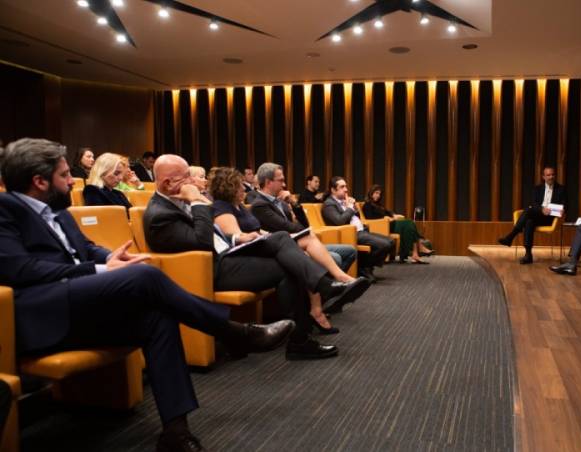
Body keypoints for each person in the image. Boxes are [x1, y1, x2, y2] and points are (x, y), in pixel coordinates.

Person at [0, 138, 293, 451]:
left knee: (158, 319)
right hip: (44, 315)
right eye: (64, 175)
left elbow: (86, 247)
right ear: (39, 181)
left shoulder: (57, 210)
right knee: (145, 275)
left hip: (80, 306)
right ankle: (234, 332)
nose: (72, 180)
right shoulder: (5, 211)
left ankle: (176, 433)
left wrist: (111, 256)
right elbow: (22, 270)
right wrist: (101, 270)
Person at [144, 155, 368, 359]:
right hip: (210, 270)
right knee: (288, 266)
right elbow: (203, 244)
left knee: (282, 239)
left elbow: (214, 236)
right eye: (186, 178)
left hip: (227, 255)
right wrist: (197, 201)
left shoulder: (178, 201)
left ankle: (319, 300)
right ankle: (308, 324)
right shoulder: (160, 216)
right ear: (167, 183)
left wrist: (237, 239)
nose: (192, 182)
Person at [210, 165, 368, 332]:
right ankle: (326, 293)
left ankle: (318, 305)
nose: (244, 188)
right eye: (239, 185)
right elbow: (237, 238)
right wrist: (275, 236)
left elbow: (284, 227)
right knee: (295, 253)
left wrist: (286, 220)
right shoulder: (222, 207)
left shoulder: (240, 206)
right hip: (245, 255)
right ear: (230, 187)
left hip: (260, 246)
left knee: (301, 243)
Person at [251, 163, 358, 276]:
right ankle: (330, 282)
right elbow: (287, 226)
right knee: (336, 258)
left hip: (300, 242)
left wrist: (294, 202)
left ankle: (331, 282)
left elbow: (305, 224)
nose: (284, 184)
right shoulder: (260, 205)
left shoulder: (281, 202)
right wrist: (305, 231)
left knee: (350, 251)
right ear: (268, 182)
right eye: (281, 180)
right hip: (287, 248)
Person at [323, 177, 394, 282]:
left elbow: (355, 218)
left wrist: (354, 208)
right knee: (385, 245)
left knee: (391, 241)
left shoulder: (344, 201)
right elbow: (339, 221)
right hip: (352, 233)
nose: (346, 189)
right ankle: (364, 267)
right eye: (342, 187)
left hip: (362, 231)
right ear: (333, 190)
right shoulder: (329, 204)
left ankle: (366, 267)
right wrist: (350, 208)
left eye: (346, 186)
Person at [497, 166, 567, 264]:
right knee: (529, 221)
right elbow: (534, 203)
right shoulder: (537, 189)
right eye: (548, 175)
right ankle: (528, 255)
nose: (551, 177)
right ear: (543, 177)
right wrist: (542, 209)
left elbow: (565, 205)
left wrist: (562, 210)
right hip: (539, 215)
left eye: (553, 175)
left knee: (528, 211)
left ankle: (511, 236)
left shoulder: (561, 189)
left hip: (551, 218)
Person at [363, 184, 434, 264]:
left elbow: (387, 212)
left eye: (379, 194)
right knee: (409, 224)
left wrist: (394, 215)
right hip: (384, 226)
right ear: (371, 193)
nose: (378, 195)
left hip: (390, 223)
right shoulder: (367, 205)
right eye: (376, 193)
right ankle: (418, 248)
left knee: (410, 223)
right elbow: (370, 219)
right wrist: (384, 219)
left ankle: (415, 253)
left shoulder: (377, 204)